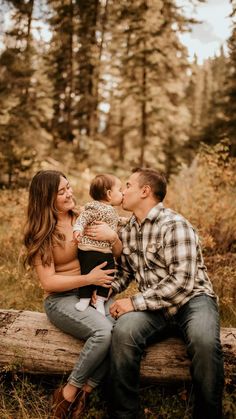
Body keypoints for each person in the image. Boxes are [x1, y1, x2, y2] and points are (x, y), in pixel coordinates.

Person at [108, 167, 224, 419]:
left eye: (128, 185)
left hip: (193, 300)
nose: (123, 191)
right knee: (124, 331)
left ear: (145, 191)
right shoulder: (128, 230)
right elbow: (124, 273)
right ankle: (123, 415)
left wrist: (134, 302)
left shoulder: (175, 225)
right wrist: (101, 291)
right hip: (155, 306)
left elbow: (182, 282)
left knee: (204, 341)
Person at [23, 170, 121, 419]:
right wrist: (88, 279)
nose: (70, 194)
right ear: (47, 198)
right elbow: (49, 281)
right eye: (62, 192)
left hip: (97, 293)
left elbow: (115, 253)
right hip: (62, 299)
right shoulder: (42, 231)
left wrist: (114, 238)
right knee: (103, 332)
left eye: (69, 187)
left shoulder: (84, 217)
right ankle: (68, 392)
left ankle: (85, 394)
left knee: (121, 334)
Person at [73, 174, 123, 315]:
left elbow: (117, 220)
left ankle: (100, 300)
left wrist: (128, 221)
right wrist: (78, 229)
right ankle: (84, 299)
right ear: (109, 194)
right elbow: (84, 218)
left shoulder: (112, 211)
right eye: (119, 190)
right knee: (87, 271)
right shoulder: (94, 208)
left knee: (109, 274)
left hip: (105, 251)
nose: (123, 193)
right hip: (89, 249)